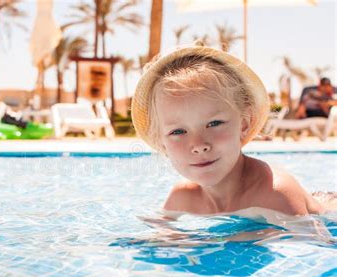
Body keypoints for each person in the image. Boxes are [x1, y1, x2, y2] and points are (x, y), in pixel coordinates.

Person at [131, 43, 328, 217]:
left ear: (244, 123)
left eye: (214, 123)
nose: (199, 145)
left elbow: (312, 244)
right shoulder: (183, 198)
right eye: (178, 132)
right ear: (162, 143)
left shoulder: (276, 192)